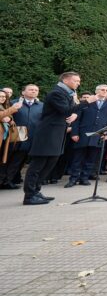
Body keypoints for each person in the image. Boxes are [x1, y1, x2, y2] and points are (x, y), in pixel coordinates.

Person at [23, 72, 80, 205]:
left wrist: (75, 113)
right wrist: (87, 102)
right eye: (76, 80)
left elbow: (69, 111)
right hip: (48, 134)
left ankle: (36, 191)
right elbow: (66, 110)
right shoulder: (57, 93)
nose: (78, 83)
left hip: (57, 133)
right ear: (66, 80)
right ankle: (29, 195)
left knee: (50, 163)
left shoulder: (67, 94)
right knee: (38, 165)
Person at [66, 84, 107, 187]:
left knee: (91, 159)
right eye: (102, 89)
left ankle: (84, 178)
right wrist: (74, 133)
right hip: (82, 134)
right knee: (77, 158)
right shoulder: (87, 102)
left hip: (98, 136)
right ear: (96, 91)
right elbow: (77, 119)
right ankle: (73, 179)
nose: (105, 92)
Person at [2, 85, 42, 190]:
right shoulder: (13, 103)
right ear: (23, 92)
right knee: (6, 160)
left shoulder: (41, 105)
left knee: (18, 162)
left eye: (36, 90)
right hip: (13, 137)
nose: (34, 91)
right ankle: (2, 180)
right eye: (31, 89)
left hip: (31, 138)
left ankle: (8, 181)